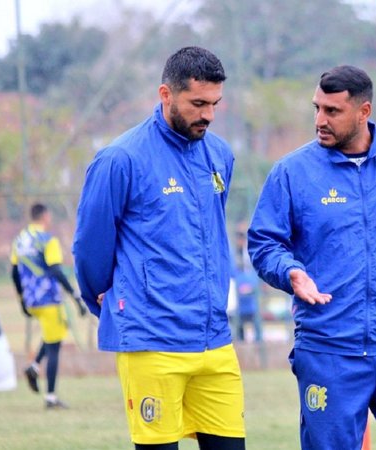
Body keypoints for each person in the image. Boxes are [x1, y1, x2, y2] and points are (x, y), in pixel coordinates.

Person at [248, 65, 376, 450]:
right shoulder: (291, 173)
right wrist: (290, 272)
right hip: (329, 347)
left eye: (332, 112)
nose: (319, 121)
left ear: (364, 112)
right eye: (317, 109)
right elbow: (264, 243)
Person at [72, 46, 245, 450]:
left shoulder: (220, 154)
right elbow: (90, 247)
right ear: (165, 94)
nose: (208, 115)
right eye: (197, 103)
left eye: (215, 104)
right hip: (152, 338)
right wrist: (109, 299)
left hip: (215, 340)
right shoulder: (120, 159)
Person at [10, 202, 87, 409]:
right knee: (54, 348)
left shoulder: (20, 240)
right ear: (44, 217)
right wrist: (75, 296)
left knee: (53, 335)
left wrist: (21, 299)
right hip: (48, 299)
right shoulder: (47, 240)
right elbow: (55, 270)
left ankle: (33, 367)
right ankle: (51, 398)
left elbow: (14, 272)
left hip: (31, 301)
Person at [232, 222, 263, 343]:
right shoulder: (234, 253)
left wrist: (251, 284)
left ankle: (258, 341)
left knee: (255, 315)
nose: (241, 239)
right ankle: (240, 340)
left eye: (243, 236)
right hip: (238, 287)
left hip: (251, 285)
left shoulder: (251, 251)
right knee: (238, 317)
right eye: (239, 235)